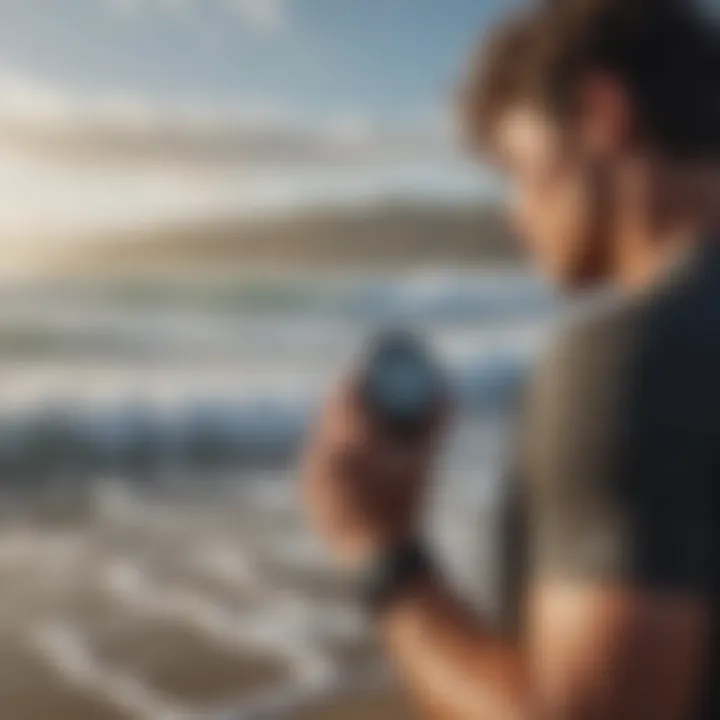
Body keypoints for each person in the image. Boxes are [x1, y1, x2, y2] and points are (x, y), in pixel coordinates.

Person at [302, 0, 720, 717]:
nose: (515, 211)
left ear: (601, 113)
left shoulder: (631, 359)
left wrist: (381, 553)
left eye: (521, 168)